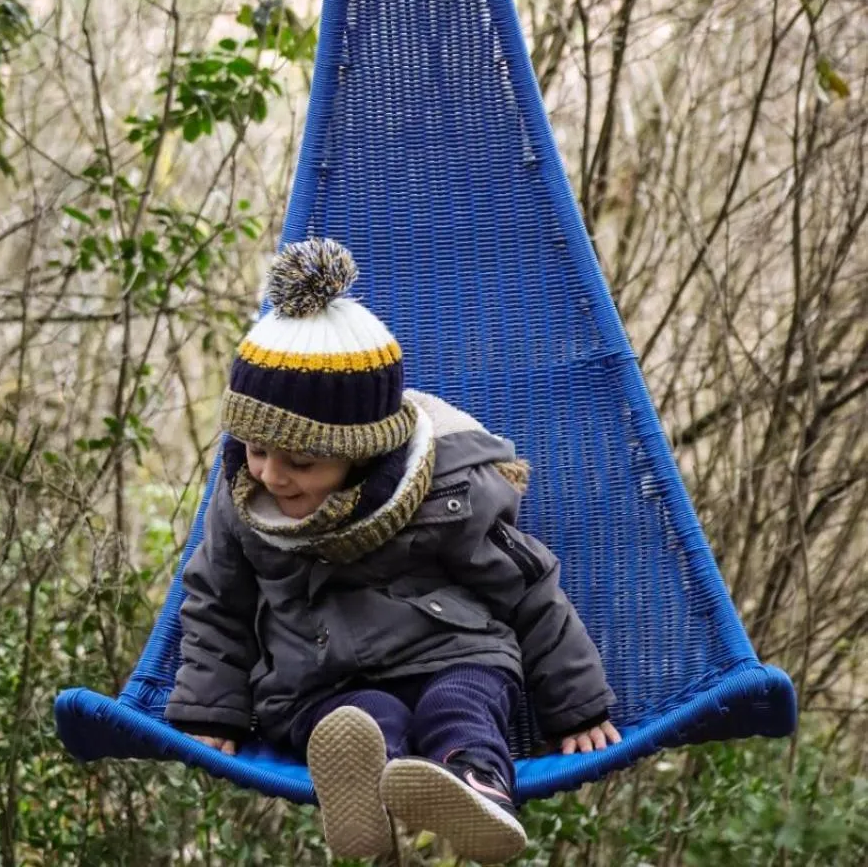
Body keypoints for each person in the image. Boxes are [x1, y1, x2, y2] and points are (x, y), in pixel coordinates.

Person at [167, 238, 620, 862]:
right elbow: (217, 599)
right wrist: (212, 709)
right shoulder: (245, 499)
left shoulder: (446, 490)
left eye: (301, 460)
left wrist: (577, 707)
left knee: (460, 705)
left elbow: (528, 585)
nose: (271, 476)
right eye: (256, 448)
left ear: (364, 455)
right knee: (359, 723)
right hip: (320, 679)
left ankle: (476, 787)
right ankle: (367, 791)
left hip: (451, 650)